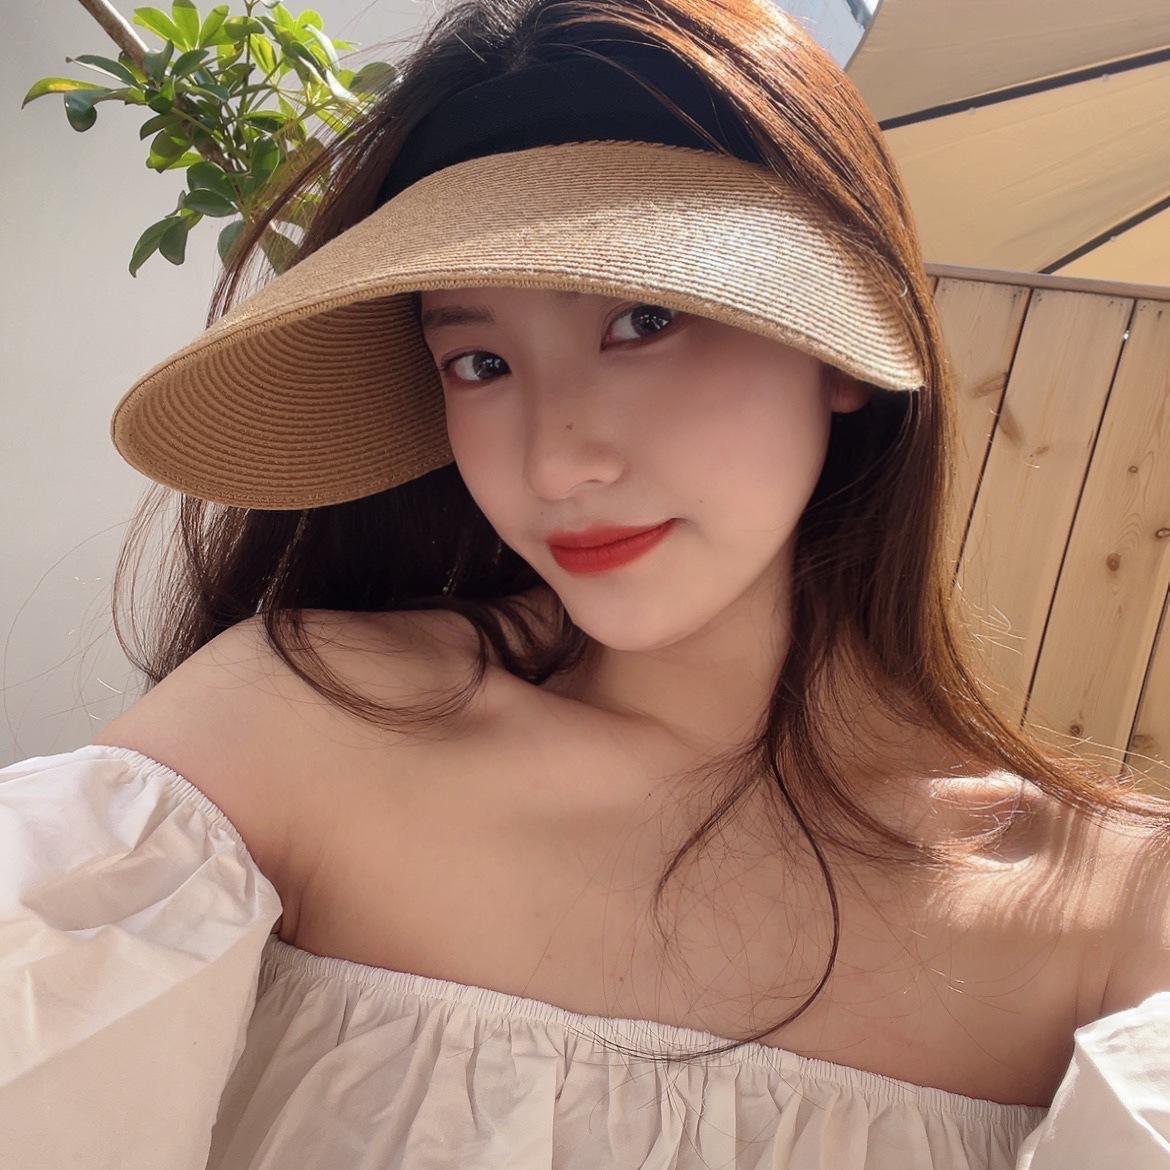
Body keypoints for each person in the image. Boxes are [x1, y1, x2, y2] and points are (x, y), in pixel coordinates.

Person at [4, 0, 1169, 1166]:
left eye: (645, 319)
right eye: (480, 361)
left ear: (842, 346)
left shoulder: (1112, 919)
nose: (554, 464)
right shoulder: (297, 726)